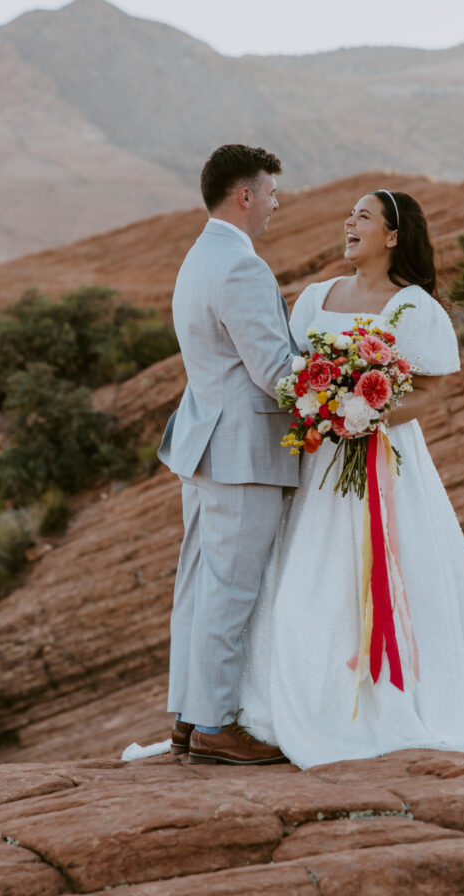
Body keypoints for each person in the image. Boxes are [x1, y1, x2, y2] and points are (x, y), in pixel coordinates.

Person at [237, 189, 464, 769]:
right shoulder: (313, 299)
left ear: (392, 236)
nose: (349, 223)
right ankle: (295, 700)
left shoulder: (414, 308)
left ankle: (381, 704)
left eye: (363, 216)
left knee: (380, 574)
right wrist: (326, 407)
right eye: (349, 215)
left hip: (383, 461)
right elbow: (294, 371)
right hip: (319, 463)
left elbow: (430, 389)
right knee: (305, 574)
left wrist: (366, 411)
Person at [156, 143, 298, 766]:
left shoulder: (198, 257)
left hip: (205, 442)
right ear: (245, 195)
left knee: (200, 582)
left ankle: (190, 714)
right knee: (230, 587)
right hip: (242, 448)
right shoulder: (242, 267)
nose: (275, 203)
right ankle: (214, 723)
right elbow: (273, 370)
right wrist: (347, 389)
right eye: (270, 192)